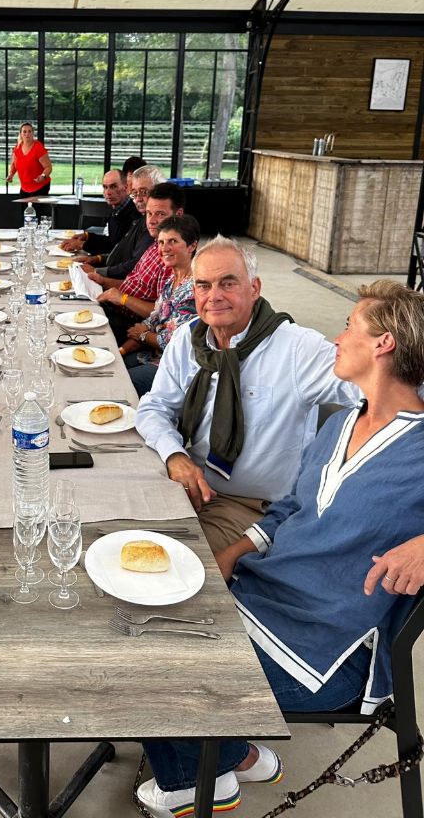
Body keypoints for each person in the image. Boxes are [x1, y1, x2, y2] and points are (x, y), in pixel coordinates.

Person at [138, 281, 424, 818]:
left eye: (350, 327)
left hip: (328, 648)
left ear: (383, 344)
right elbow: (291, 505)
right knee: (133, 622)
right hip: (263, 593)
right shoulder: (342, 423)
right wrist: (234, 550)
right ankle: (232, 757)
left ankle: (201, 777)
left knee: (152, 672)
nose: (337, 338)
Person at [136, 235, 358, 553]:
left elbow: (385, 390)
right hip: (190, 483)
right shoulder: (188, 338)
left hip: (252, 506)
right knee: (117, 527)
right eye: (203, 285)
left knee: (173, 560)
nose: (214, 296)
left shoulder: (298, 349)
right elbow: (155, 407)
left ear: (254, 288)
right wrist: (175, 455)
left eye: (228, 283)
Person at [89, 182, 185, 344]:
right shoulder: (154, 244)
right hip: (115, 311)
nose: (152, 221)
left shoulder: (173, 257)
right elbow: (135, 285)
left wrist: (123, 299)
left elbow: (162, 313)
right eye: (149, 213)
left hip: (129, 325)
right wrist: (103, 281)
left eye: (160, 214)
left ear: (179, 214)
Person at [121, 215, 200, 396]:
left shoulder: (195, 288)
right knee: (112, 366)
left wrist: (142, 335)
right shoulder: (171, 280)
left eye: (173, 241)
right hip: (155, 355)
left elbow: (171, 342)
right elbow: (153, 320)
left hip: (176, 369)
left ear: (192, 246)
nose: (164, 248)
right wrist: (122, 350)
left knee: (119, 382)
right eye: (161, 242)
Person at [81, 164, 166, 277]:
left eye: (144, 192)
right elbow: (122, 251)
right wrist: (98, 258)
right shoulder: (141, 218)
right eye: (135, 193)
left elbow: (135, 266)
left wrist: (98, 272)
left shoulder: (152, 225)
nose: (138, 199)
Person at [59, 169, 139, 255]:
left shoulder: (133, 215)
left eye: (113, 187)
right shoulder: (117, 210)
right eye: (105, 187)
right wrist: (87, 236)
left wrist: (82, 245)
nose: (108, 192)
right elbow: (111, 240)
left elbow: (117, 250)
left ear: (126, 188)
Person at [5, 122, 53, 196]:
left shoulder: (38, 147)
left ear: (33, 133)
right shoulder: (17, 148)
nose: (27, 134)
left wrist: (43, 176)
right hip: (24, 188)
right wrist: (11, 175)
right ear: (21, 134)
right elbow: (14, 164)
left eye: (29, 131)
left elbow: (48, 167)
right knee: (24, 204)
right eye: (24, 131)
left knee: (35, 204)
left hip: (40, 187)